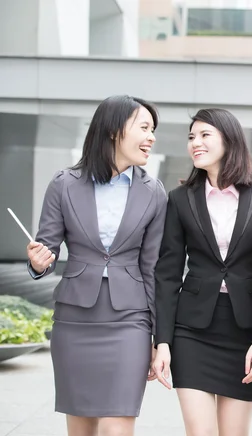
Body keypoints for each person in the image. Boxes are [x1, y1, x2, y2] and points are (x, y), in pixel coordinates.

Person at [26, 95, 167, 436]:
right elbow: (46, 248)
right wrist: (38, 263)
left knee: (117, 427)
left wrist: (158, 338)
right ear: (114, 130)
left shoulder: (155, 192)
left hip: (130, 321)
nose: (151, 137)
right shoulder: (64, 183)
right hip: (75, 318)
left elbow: (153, 268)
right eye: (144, 128)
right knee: (81, 427)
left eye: (153, 130)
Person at [152, 108, 252, 436]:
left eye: (205, 135)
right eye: (192, 137)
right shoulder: (180, 199)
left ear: (229, 140)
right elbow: (167, 273)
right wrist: (162, 341)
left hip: (243, 333)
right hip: (192, 331)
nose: (195, 142)